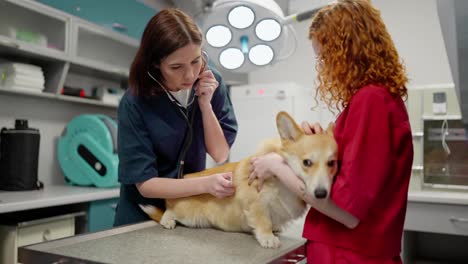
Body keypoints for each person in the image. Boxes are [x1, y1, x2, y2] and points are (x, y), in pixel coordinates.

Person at [249, 0, 413, 263]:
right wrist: (320, 144)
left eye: (325, 57)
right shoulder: (379, 100)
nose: (324, 68)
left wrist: (276, 166)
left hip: (350, 254)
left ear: (346, 52)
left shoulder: (371, 101)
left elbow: (347, 213)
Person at [114, 8, 238, 227]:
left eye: (195, 61)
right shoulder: (134, 102)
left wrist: (205, 106)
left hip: (187, 212)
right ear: (155, 64)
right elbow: (146, 184)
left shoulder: (211, 82)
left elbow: (220, 153)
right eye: (176, 67)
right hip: (142, 215)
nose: (190, 75)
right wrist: (205, 184)